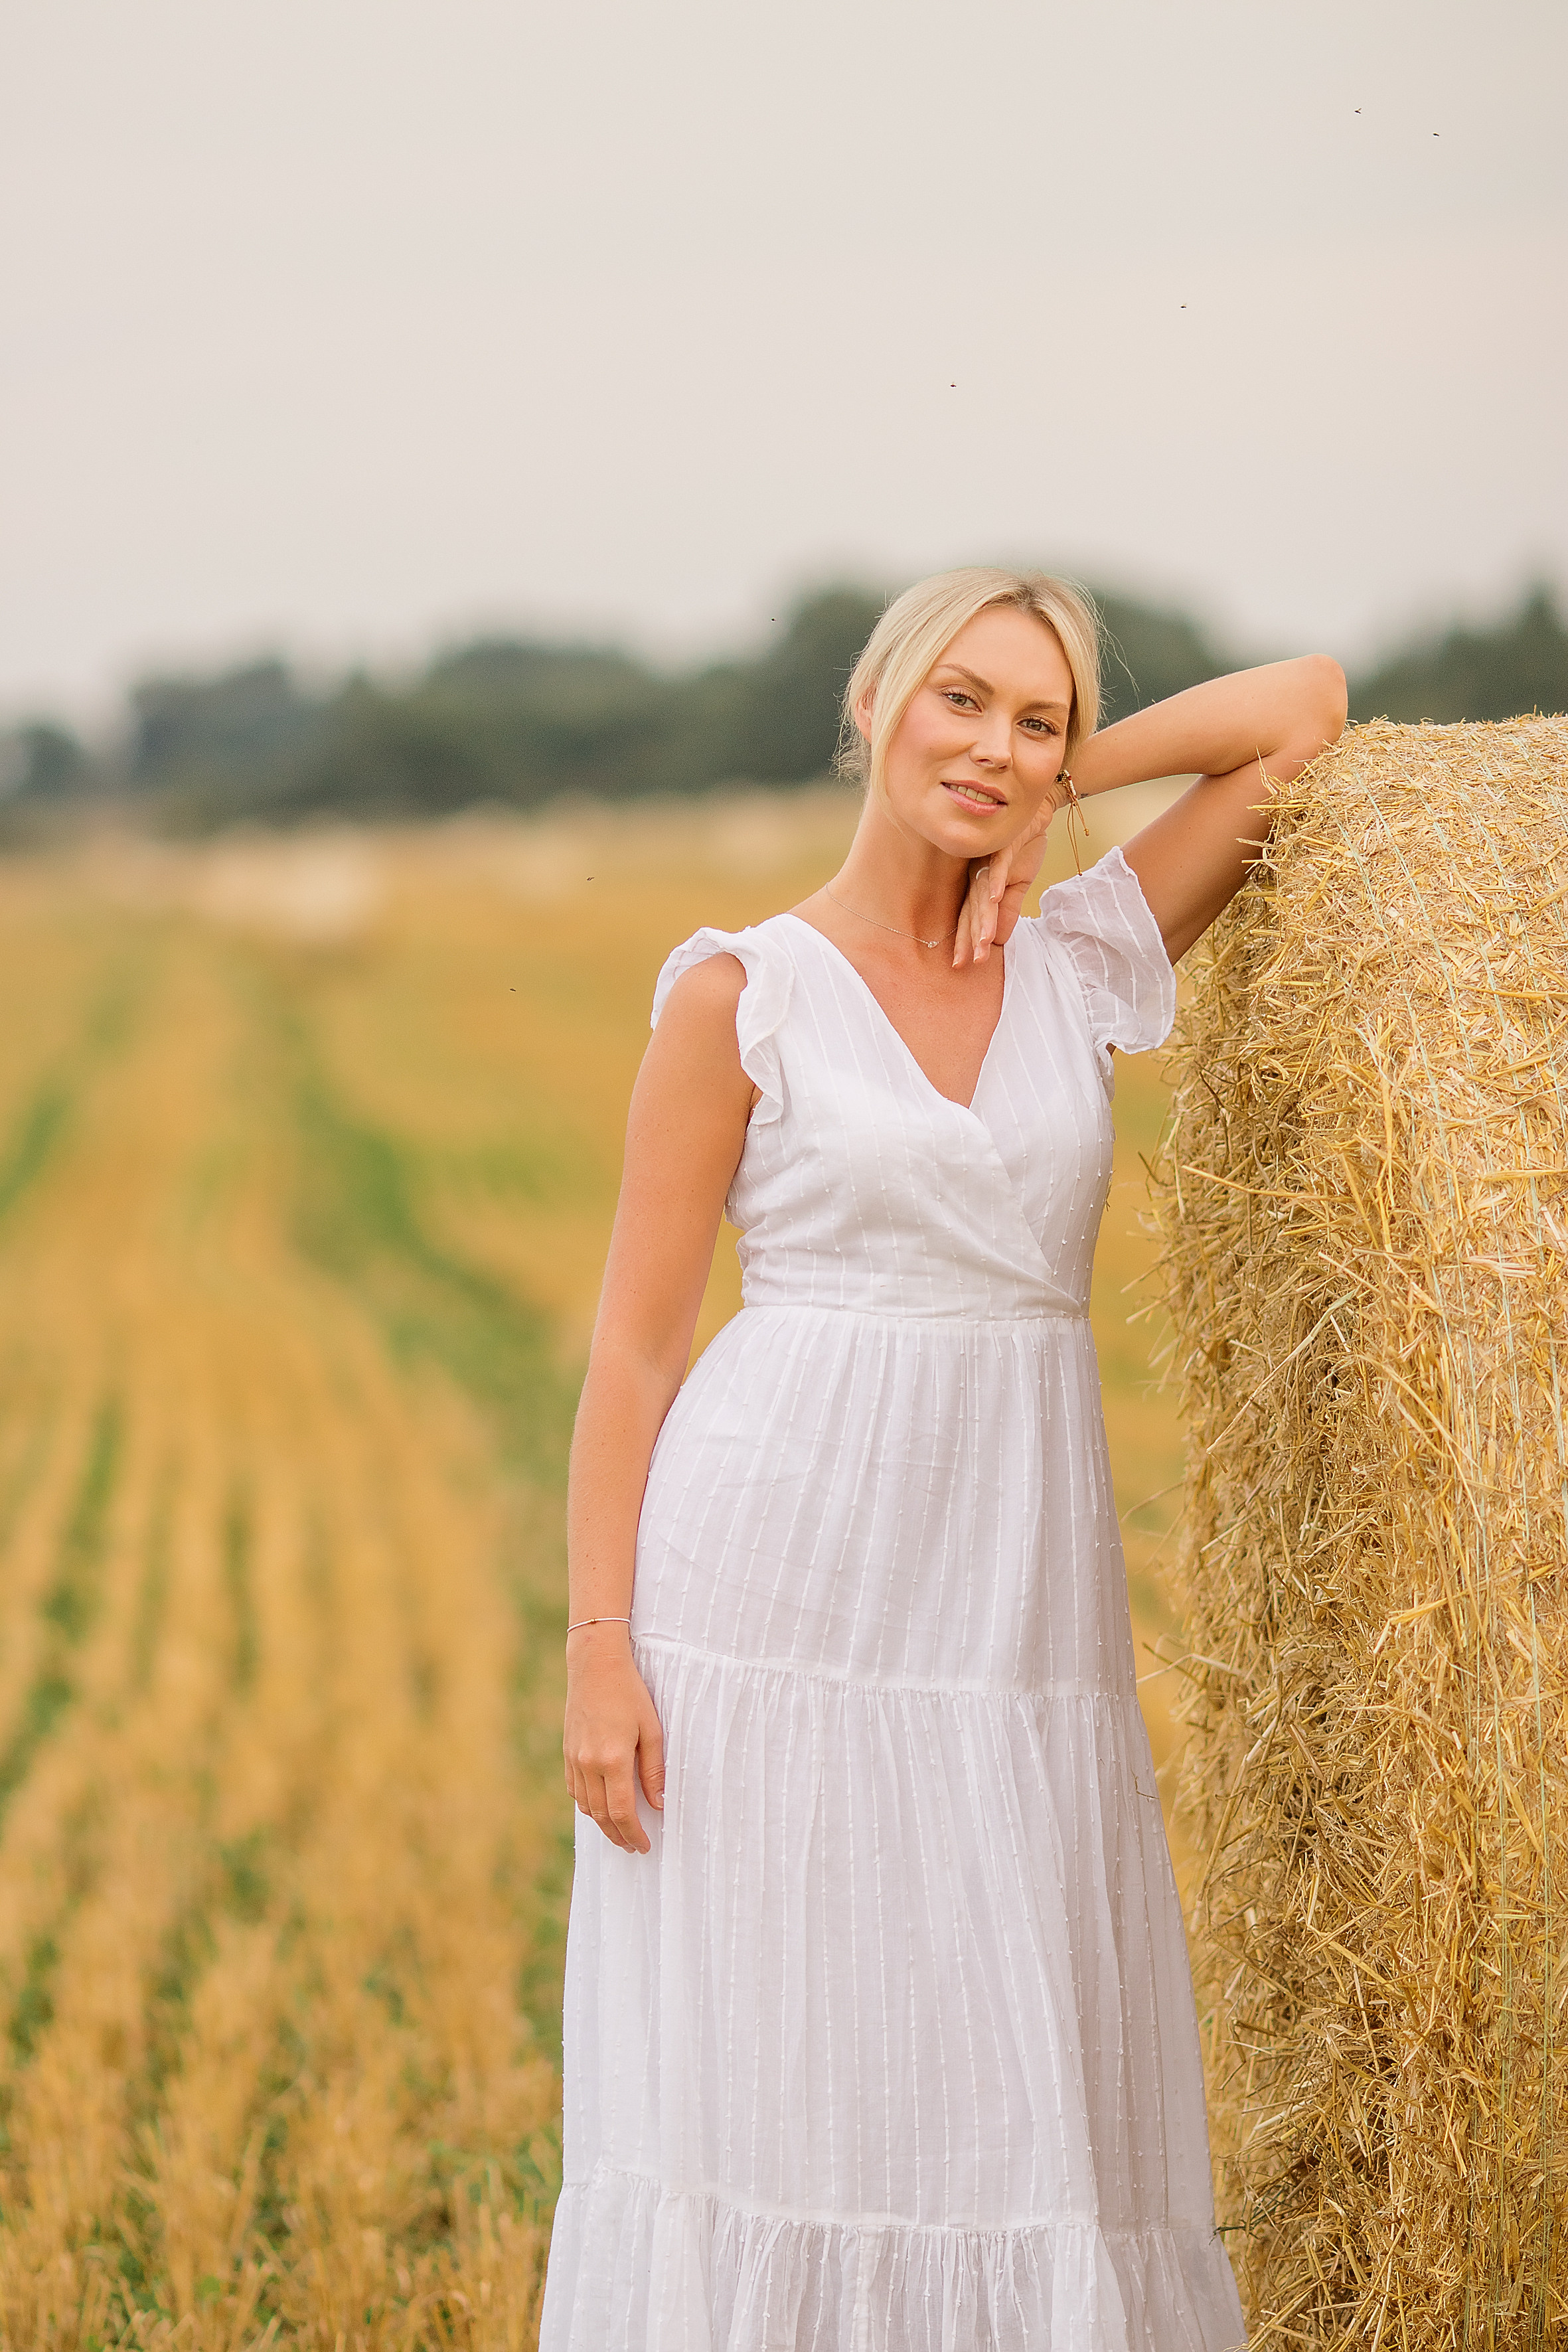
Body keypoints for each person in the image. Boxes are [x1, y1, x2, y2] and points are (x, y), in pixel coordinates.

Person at [540, 566, 1347, 2351]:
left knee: (1011, 2067)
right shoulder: (739, 994)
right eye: (958, 701)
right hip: (766, 1601)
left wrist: (1066, 796)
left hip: (1005, 1623)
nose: (991, 745)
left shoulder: (1082, 955)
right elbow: (633, 1352)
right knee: (779, 2073)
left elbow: (1299, 710)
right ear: (872, 705)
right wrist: (601, 1646)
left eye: (1035, 718)